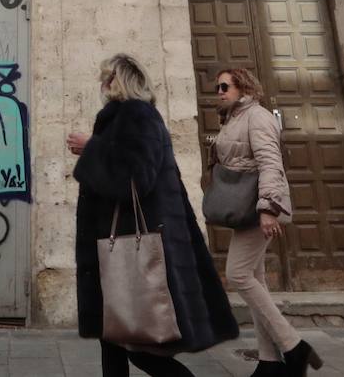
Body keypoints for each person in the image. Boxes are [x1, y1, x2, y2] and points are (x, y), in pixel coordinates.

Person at [68, 54, 239, 377]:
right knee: (114, 341)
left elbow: (137, 176)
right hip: (113, 245)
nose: (101, 85)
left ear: (119, 81)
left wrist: (93, 147)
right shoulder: (123, 116)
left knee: (141, 349)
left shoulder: (137, 115)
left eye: (107, 78)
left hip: (130, 245)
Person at [211, 67, 323, 377]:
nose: (219, 92)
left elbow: (270, 162)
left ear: (242, 87)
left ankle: (294, 345)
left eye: (224, 86)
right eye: (217, 87)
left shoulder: (257, 116)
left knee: (237, 273)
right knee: (255, 279)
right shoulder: (234, 118)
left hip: (258, 208)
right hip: (246, 208)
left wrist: (269, 209)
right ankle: (269, 362)